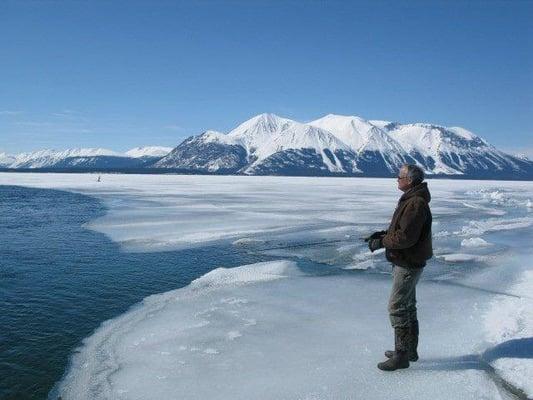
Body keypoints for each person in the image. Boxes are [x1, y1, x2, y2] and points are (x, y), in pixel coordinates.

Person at [365, 164, 433, 371]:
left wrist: (382, 243)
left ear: (410, 180)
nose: (397, 179)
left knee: (397, 307)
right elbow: (403, 230)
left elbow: (405, 238)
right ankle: (408, 350)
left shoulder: (415, 203)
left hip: (408, 262)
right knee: (407, 306)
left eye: (400, 176)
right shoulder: (412, 200)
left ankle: (402, 355)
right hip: (407, 260)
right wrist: (383, 234)